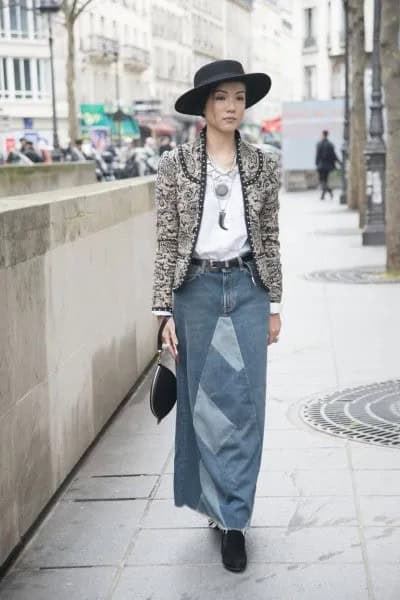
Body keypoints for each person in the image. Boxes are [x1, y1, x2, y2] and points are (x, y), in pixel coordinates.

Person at [152, 60, 282, 573]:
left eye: (239, 98)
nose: (232, 107)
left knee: (246, 406)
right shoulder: (174, 166)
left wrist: (274, 303)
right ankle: (215, 504)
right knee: (202, 405)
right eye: (222, 98)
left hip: (248, 286)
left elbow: (269, 235)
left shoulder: (263, 164)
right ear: (204, 106)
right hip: (196, 292)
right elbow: (166, 240)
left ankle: (236, 522)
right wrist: (163, 312)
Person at [315, 130, 341, 199]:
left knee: (322, 181)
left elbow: (317, 155)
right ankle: (323, 195)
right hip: (328, 166)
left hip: (321, 165)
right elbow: (334, 155)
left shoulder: (319, 144)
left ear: (323, 135)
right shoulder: (330, 144)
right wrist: (339, 162)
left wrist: (317, 163)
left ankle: (329, 191)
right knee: (325, 180)